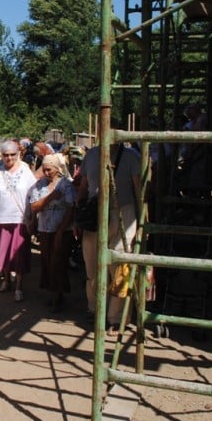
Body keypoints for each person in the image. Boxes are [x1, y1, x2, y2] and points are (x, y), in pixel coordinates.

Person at [76, 143, 141, 336]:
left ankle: (116, 317)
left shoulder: (131, 156)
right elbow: (84, 185)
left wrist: (143, 222)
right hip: (95, 213)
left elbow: (139, 191)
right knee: (93, 266)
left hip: (124, 212)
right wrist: (77, 217)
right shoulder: (92, 155)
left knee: (120, 266)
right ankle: (95, 309)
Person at [0, 139, 36, 302]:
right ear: (1, 155)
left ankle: (19, 286)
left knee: (19, 254)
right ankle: (6, 280)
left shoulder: (26, 170)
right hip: (2, 218)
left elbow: (32, 197)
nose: (9, 158)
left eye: (12, 155)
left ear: (18, 154)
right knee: (4, 252)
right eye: (6, 155)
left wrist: (32, 218)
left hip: (20, 219)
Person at [29, 154, 76, 313]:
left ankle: (57, 297)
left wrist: (60, 231)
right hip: (44, 229)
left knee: (58, 262)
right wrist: (50, 197)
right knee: (47, 262)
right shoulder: (39, 185)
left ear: (57, 169)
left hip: (62, 230)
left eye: (49, 169)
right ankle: (55, 294)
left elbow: (71, 209)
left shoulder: (66, 185)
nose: (47, 173)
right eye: (44, 169)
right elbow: (35, 206)